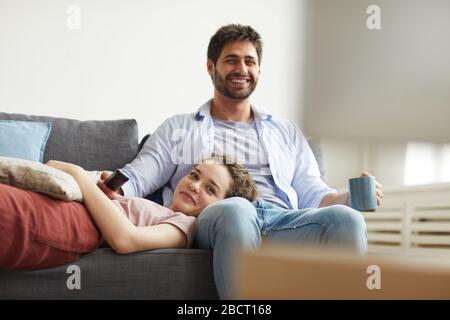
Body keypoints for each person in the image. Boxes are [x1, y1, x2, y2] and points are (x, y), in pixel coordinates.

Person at [108, 24, 384, 299]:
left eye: (250, 61)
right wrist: (112, 187)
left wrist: (349, 199)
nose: (242, 68)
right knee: (238, 209)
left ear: (259, 71)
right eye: (231, 60)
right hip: (218, 217)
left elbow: (314, 192)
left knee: (347, 220)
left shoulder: (285, 131)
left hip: (281, 218)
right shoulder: (179, 128)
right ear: (210, 67)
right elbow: (142, 173)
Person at [0, 155, 257, 269]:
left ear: (221, 205)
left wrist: (81, 178)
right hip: (69, 205)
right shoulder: (157, 208)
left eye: (210, 189)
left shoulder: (185, 226)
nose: (194, 185)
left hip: (77, 223)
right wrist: (104, 195)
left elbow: (125, 239)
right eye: (194, 175)